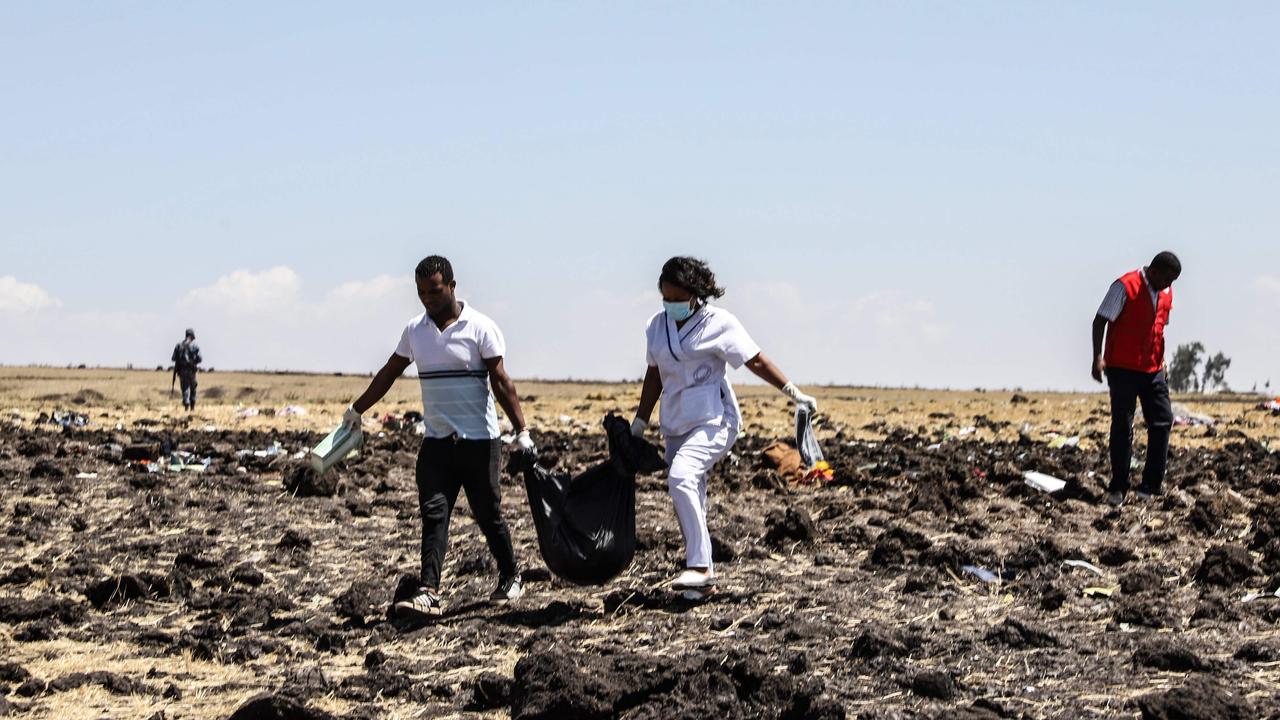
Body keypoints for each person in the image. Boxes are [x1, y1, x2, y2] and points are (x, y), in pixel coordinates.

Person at [343, 255, 535, 620]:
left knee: (487, 513)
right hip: (436, 443)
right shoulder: (415, 331)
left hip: (479, 442)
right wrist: (357, 409)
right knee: (434, 514)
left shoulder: (480, 327)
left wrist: (521, 431)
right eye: (421, 293)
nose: (428, 298)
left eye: (434, 291)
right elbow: (389, 372)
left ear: (451, 286)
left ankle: (511, 574)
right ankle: (429, 591)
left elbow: (502, 382)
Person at [631, 256, 817, 597]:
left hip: (714, 420)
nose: (670, 305)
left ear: (695, 294)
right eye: (666, 299)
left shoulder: (720, 323)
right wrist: (640, 421)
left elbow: (755, 360)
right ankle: (703, 585)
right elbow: (654, 373)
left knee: (681, 477)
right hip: (675, 423)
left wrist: (793, 392)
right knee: (691, 494)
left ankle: (699, 567)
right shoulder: (656, 327)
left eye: (677, 299)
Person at [1091, 251, 1181, 507]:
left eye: (1173, 281)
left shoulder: (1166, 294)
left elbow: (1158, 329)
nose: (1169, 285)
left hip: (1152, 370)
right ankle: (1118, 487)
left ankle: (1150, 486)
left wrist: (1161, 362)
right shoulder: (1125, 285)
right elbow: (1100, 321)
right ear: (1154, 270)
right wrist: (1098, 357)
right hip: (1122, 368)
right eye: (1168, 278)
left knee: (1162, 421)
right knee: (1123, 425)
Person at [172, 329, 202, 411]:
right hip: (192, 370)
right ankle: (192, 406)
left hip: (182, 371)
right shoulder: (195, 346)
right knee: (193, 387)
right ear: (192, 336)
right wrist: (193, 361)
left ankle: (186, 404)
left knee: (185, 388)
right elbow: (200, 359)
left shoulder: (179, 345)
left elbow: (173, 358)